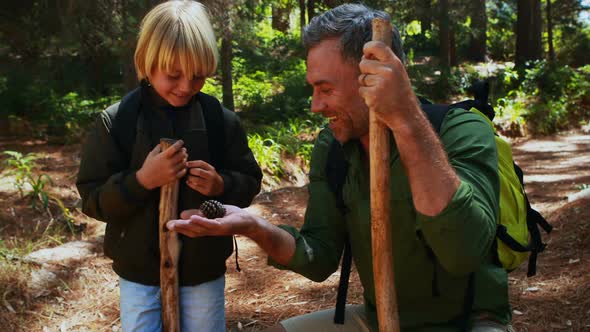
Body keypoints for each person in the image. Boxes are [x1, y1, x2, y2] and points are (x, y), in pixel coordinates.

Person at [168, 3, 511, 332]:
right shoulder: (333, 148)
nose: (316, 106)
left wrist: (405, 120)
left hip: (468, 323)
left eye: (326, 89)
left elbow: (463, 253)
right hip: (380, 322)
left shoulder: (461, 131)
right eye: (313, 89)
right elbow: (319, 257)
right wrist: (254, 227)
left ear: (374, 77)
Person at [76, 1, 262, 331]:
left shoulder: (220, 122)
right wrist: (142, 180)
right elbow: (92, 198)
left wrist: (221, 186)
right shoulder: (118, 122)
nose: (187, 86)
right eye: (174, 75)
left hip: (202, 269)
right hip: (139, 272)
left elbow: (249, 181)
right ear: (147, 63)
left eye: (199, 76)